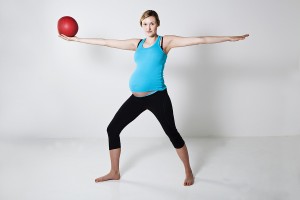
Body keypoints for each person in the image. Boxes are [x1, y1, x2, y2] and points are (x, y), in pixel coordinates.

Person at [59, 10, 249, 186]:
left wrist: (228, 38)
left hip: (158, 97)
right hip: (136, 99)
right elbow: (107, 42)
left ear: (157, 25)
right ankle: (114, 172)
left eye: (152, 24)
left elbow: (199, 39)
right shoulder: (137, 44)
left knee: (172, 133)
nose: (148, 27)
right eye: (145, 24)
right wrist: (76, 40)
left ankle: (188, 171)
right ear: (141, 25)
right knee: (112, 129)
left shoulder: (165, 42)